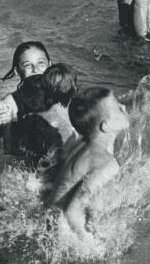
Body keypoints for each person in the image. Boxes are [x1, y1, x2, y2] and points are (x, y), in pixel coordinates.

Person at [51, 88, 130, 237]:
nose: (124, 107)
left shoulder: (83, 144)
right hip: (61, 232)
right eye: (118, 108)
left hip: (51, 219)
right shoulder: (107, 164)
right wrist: (90, 243)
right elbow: (72, 210)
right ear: (105, 126)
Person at [0, 40, 52, 136]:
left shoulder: (63, 93)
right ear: (17, 71)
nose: (35, 69)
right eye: (28, 65)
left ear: (50, 65)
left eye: (41, 63)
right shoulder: (10, 103)